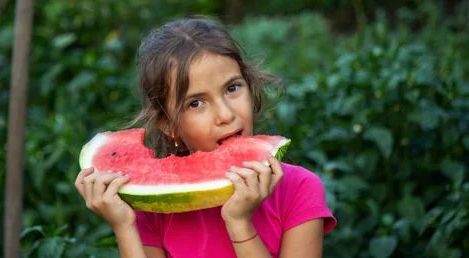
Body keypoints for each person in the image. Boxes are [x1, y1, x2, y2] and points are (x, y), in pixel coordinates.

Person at [75, 17, 336, 258]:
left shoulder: (300, 189)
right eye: (196, 103)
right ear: (169, 125)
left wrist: (239, 223)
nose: (225, 114)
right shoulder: (155, 209)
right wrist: (124, 225)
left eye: (233, 88)